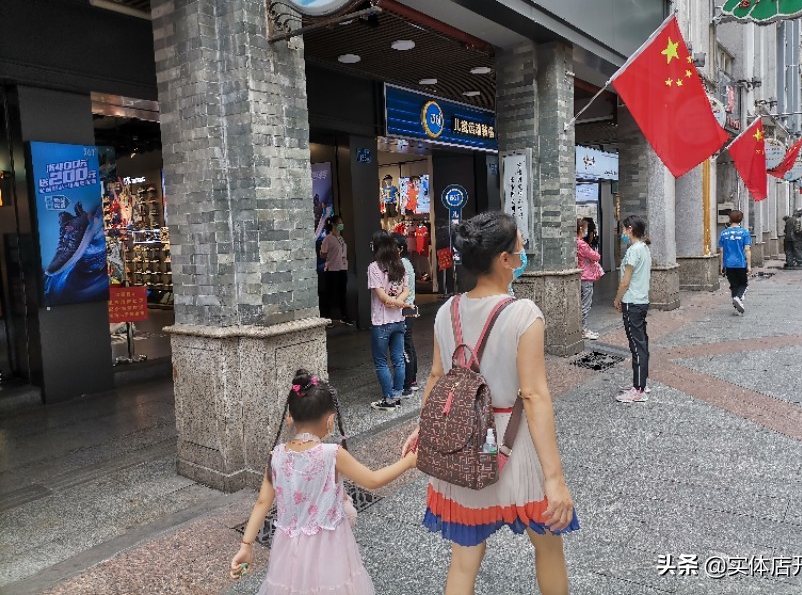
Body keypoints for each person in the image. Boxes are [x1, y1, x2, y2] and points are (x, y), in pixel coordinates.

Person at [402, 211, 578, 595]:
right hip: (514, 447)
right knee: (547, 545)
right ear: (503, 260)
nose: (523, 254)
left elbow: (436, 377)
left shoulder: (447, 311)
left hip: (463, 445)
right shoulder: (523, 314)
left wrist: (426, 427)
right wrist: (554, 477)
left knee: (464, 561)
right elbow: (533, 395)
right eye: (520, 249)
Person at [230, 370, 417, 594]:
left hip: (288, 548)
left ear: (289, 417)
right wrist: (409, 462)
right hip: (329, 546)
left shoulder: (277, 455)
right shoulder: (332, 454)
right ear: (330, 421)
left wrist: (246, 545)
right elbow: (373, 479)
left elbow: (262, 502)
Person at [368, 231, 411, 410]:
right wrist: (400, 303)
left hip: (382, 323)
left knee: (381, 361)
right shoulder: (400, 265)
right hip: (399, 321)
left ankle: (389, 400)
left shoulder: (374, 267)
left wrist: (392, 302)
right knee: (399, 359)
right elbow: (406, 291)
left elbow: (382, 297)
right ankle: (398, 396)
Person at [613, 215, 652, 404]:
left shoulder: (632, 251)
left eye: (623, 229)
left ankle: (639, 390)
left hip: (632, 302)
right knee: (642, 343)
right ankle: (641, 383)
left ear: (629, 229)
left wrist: (617, 299)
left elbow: (625, 282)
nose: (622, 233)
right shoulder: (644, 248)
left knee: (637, 346)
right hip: (642, 301)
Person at [393, 233, 419, 398]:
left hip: (404, 311)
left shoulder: (401, 264)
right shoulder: (407, 263)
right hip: (409, 309)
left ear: (400, 249)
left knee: (405, 348)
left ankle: (407, 385)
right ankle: (413, 381)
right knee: (409, 346)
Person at [319, 215, 351, 325]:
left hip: (342, 268)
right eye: (339, 223)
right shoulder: (328, 239)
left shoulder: (341, 238)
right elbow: (322, 254)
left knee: (342, 293)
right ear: (333, 224)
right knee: (330, 294)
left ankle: (344, 315)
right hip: (332, 269)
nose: (341, 225)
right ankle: (328, 318)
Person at [718, 210, 752, 315]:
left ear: (730, 219)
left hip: (728, 263)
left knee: (734, 285)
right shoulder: (744, 233)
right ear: (741, 219)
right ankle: (739, 298)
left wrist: (721, 265)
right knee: (743, 284)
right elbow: (747, 250)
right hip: (740, 263)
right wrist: (749, 265)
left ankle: (737, 305)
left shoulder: (724, 233)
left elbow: (721, 250)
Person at [576, 218, 603, 340]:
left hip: (580, 276)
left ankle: (582, 329)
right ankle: (583, 330)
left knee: (582, 304)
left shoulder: (575, 242)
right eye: (585, 229)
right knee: (585, 305)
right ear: (581, 229)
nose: (587, 231)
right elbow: (595, 256)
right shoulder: (581, 243)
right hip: (586, 277)